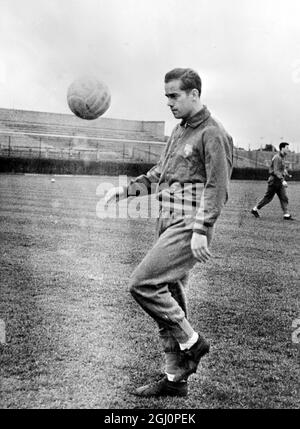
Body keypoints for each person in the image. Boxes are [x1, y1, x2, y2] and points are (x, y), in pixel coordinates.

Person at [104, 68, 233, 397]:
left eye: (174, 96)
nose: (169, 103)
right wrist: (127, 190)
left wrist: (202, 229)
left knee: (142, 284)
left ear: (194, 94)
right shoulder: (178, 131)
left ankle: (193, 342)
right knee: (167, 297)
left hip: (189, 221)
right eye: (166, 97)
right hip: (166, 218)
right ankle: (176, 380)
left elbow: (217, 187)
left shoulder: (214, 134)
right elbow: (160, 172)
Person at [251, 142, 293, 220]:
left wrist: (286, 173)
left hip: (279, 181)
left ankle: (286, 214)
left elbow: (282, 169)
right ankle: (255, 209)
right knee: (268, 198)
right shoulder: (277, 157)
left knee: (284, 197)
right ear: (282, 148)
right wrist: (282, 180)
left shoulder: (282, 157)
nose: (288, 149)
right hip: (274, 181)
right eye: (287, 148)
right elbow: (276, 171)